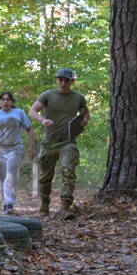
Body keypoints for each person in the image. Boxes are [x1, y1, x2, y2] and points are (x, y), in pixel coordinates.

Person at [28, 68, 90, 219]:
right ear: (57, 80)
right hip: (49, 142)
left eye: (67, 80)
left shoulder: (78, 97)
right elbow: (32, 111)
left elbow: (85, 114)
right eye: (61, 80)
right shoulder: (48, 95)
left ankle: (65, 207)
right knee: (45, 176)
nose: (63, 83)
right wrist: (42, 120)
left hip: (68, 142)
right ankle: (44, 205)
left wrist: (84, 121)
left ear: (72, 82)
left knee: (68, 170)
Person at [0, 91, 36, 215]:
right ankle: (4, 202)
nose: (5, 102)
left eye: (8, 99)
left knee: (11, 175)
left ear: (12, 101)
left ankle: (9, 203)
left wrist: (32, 148)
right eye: (3, 99)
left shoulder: (19, 113)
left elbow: (30, 129)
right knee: (1, 178)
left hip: (15, 148)